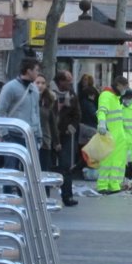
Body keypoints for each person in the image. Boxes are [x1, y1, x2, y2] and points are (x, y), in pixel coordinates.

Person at [0, 57, 42, 189]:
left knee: (31, 172)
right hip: (13, 136)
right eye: (36, 70)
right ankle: (8, 198)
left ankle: (27, 200)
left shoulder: (34, 89)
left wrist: (39, 135)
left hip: (31, 136)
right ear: (28, 71)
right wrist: (5, 133)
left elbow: (36, 112)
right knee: (11, 170)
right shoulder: (10, 88)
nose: (38, 73)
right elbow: (0, 112)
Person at [51, 70, 81, 206]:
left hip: (66, 134)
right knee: (46, 166)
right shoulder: (48, 93)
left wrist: (72, 126)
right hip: (50, 135)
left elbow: (77, 113)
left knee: (66, 165)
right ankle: (44, 196)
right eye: (68, 80)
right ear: (60, 82)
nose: (70, 83)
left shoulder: (72, 95)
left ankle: (67, 196)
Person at [95, 76, 129, 194]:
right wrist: (102, 124)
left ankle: (114, 185)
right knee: (107, 161)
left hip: (118, 134)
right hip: (109, 133)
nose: (125, 90)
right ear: (118, 85)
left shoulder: (115, 97)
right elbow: (102, 111)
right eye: (124, 87)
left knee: (118, 161)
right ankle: (102, 185)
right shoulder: (106, 96)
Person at [34, 74, 62, 200]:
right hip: (30, 141)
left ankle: (44, 196)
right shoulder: (27, 98)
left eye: (43, 83)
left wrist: (56, 141)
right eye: (37, 82)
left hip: (45, 141)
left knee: (44, 170)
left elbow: (53, 122)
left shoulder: (49, 101)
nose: (40, 85)